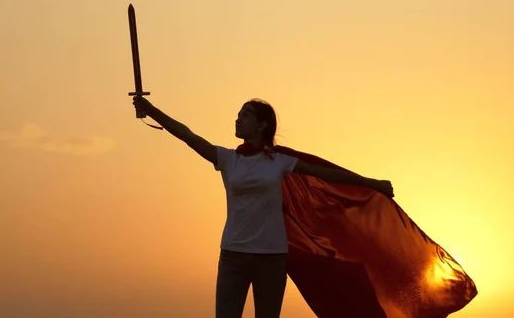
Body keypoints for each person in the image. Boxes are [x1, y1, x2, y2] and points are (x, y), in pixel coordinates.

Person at [132, 96, 394, 318]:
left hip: (271, 257)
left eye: (245, 115)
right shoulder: (228, 159)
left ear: (261, 125)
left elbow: (324, 173)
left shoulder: (279, 161)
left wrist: (372, 183)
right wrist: (152, 110)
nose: (237, 119)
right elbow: (187, 136)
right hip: (233, 254)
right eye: (238, 115)